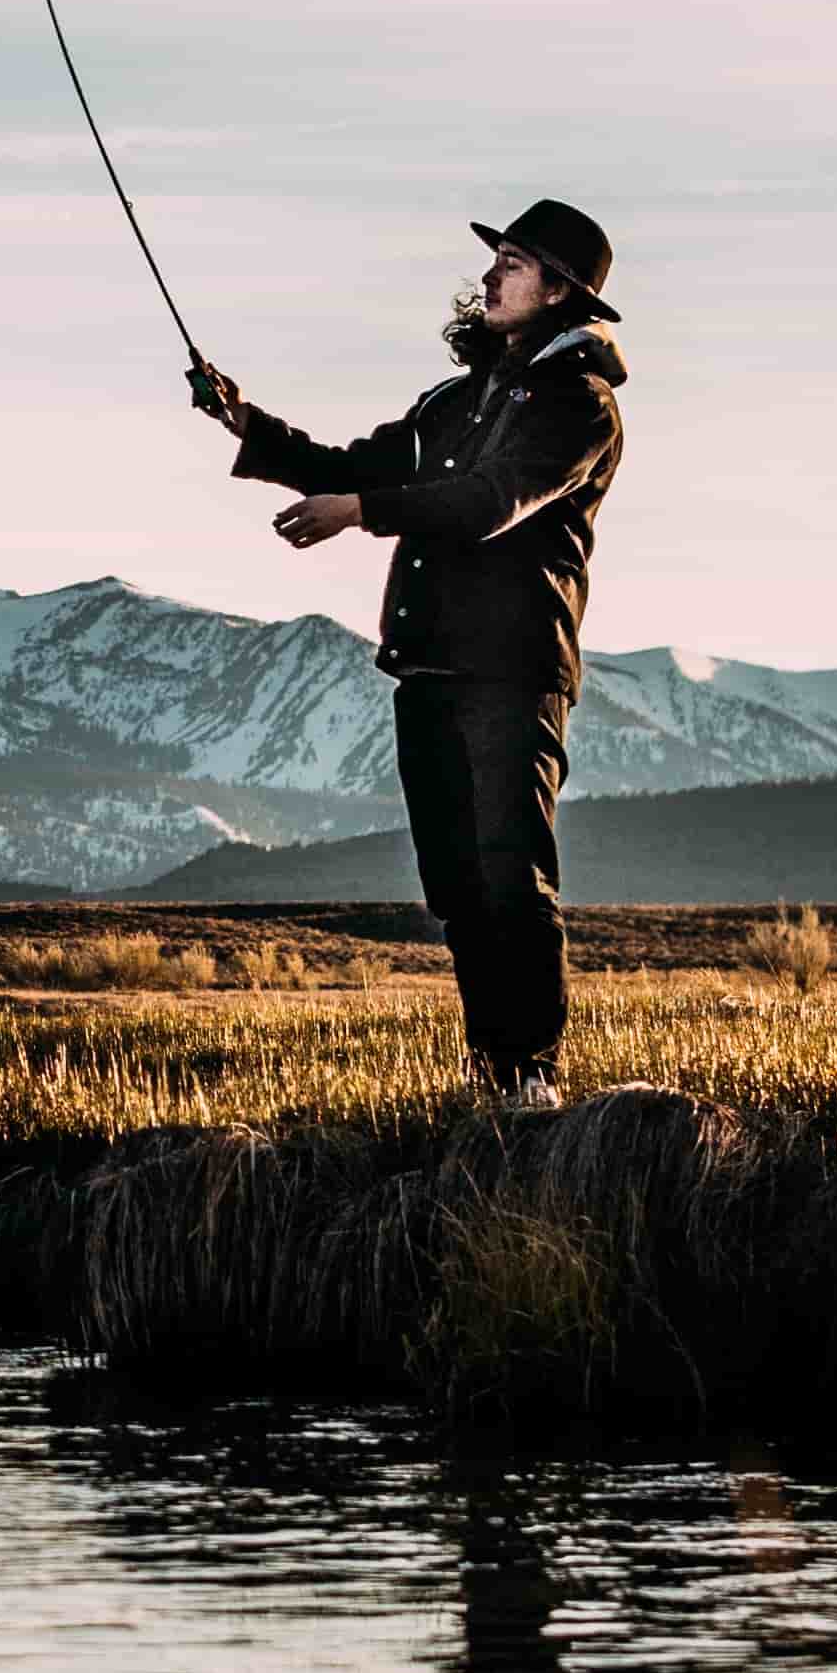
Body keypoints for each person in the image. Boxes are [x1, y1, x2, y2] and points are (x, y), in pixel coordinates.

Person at [188, 201, 629, 1114]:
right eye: (495, 259)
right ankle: (493, 1071)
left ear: (559, 291)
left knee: (513, 871)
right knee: (457, 883)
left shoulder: (579, 405)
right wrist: (244, 423)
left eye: (512, 263)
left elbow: (487, 502)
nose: (490, 276)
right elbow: (361, 463)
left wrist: (358, 512)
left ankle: (533, 1075)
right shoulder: (453, 399)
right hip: (429, 663)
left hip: (514, 667)